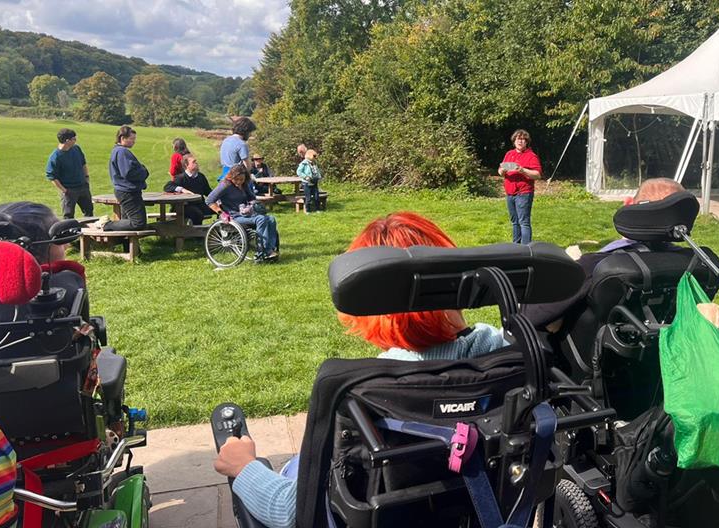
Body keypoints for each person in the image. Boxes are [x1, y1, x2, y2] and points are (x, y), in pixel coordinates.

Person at [213, 212, 507, 528]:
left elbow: (291, 511)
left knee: (295, 469)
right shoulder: (508, 355)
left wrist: (244, 466)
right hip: (478, 509)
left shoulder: (364, 393)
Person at [523, 178, 685, 332]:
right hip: (657, 354)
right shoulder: (697, 263)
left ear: (628, 204)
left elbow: (529, 317)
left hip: (571, 355)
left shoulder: (597, 265)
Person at [206, 165, 279, 260]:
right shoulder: (225, 185)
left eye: (241, 179)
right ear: (231, 177)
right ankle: (263, 251)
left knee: (271, 219)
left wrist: (252, 204)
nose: (239, 182)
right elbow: (209, 200)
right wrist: (221, 213)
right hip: (233, 216)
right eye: (236, 179)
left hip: (246, 214)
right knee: (261, 219)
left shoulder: (244, 184)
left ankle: (271, 248)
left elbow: (252, 198)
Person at [498, 129, 542, 245]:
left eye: (523, 139)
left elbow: (537, 175)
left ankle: (526, 249)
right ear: (514, 141)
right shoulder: (509, 154)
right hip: (510, 193)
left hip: (524, 193)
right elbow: (500, 171)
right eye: (518, 139)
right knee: (515, 222)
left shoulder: (531, 156)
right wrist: (502, 171)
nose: (520, 141)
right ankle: (516, 247)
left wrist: (522, 170)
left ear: (526, 142)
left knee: (524, 222)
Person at [102, 126, 149, 232]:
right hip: (128, 192)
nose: (134, 142)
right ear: (122, 138)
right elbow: (128, 173)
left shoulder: (118, 151)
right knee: (138, 222)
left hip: (124, 191)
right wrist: (144, 171)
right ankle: (108, 225)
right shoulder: (122, 152)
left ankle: (129, 246)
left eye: (134, 139)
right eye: (131, 139)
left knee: (127, 220)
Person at [45, 128, 93, 220]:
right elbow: (52, 177)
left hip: (83, 187)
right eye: (74, 139)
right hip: (69, 190)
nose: (76, 140)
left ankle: (88, 234)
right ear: (67, 141)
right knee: (68, 216)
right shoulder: (55, 157)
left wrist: (86, 178)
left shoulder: (76, 149)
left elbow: (83, 163)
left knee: (89, 212)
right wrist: (65, 190)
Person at [163, 154, 214, 226]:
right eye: (194, 162)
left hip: (200, 204)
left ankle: (223, 230)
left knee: (223, 207)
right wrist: (182, 189)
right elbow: (167, 187)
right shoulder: (181, 178)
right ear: (187, 165)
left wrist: (217, 199)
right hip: (185, 207)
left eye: (196, 162)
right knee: (197, 213)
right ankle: (197, 235)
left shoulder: (201, 177)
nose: (196, 164)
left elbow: (208, 191)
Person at [218, 117, 256, 182]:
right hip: (236, 177)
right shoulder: (242, 144)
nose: (250, 135)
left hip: (224, 176)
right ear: (246, 131)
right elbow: (247, 167)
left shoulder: (225, 141)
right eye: (250, 132)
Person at [296, 149, 322, 214]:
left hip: (314, 182)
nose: (315, 158)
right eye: (314, 156)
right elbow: (298, 172)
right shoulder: (304, 163)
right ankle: (308, 210)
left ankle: (317, 209)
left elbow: (317, 171)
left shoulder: (314, 163)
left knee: (316, 197)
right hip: (307, 183)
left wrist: (319, 176)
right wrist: (305, 177)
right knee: (308, 198)